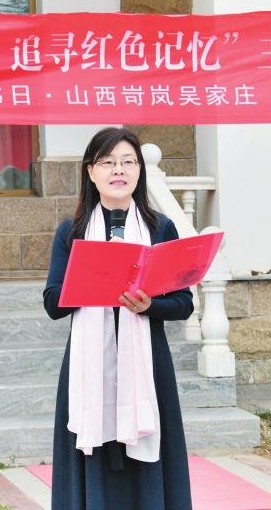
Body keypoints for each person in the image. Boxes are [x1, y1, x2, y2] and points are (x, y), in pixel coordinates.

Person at [43, 127, 194, 510]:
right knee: (92, 448)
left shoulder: (160, 228)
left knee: (150, 452)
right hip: (88, 365)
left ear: (140, 171)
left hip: (147, 363)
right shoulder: (73, 231)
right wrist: (92, 279)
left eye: (128, 162)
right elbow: (52, 303)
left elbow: (183, 304)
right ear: (90, 172)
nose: (119, 170)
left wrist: (149, 305)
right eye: (108, 162)